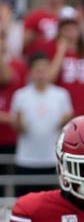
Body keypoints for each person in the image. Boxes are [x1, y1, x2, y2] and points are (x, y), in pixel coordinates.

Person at [10, 52, 72, 195]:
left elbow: (66, 128)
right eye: (37, 70)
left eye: (44, 70)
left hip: (52, 161)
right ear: (30, 72)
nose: (41, 74)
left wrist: (66, 120)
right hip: (26, 161)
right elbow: (19, 129)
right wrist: (19, 123)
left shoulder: (61, 95)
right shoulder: (21, 96)